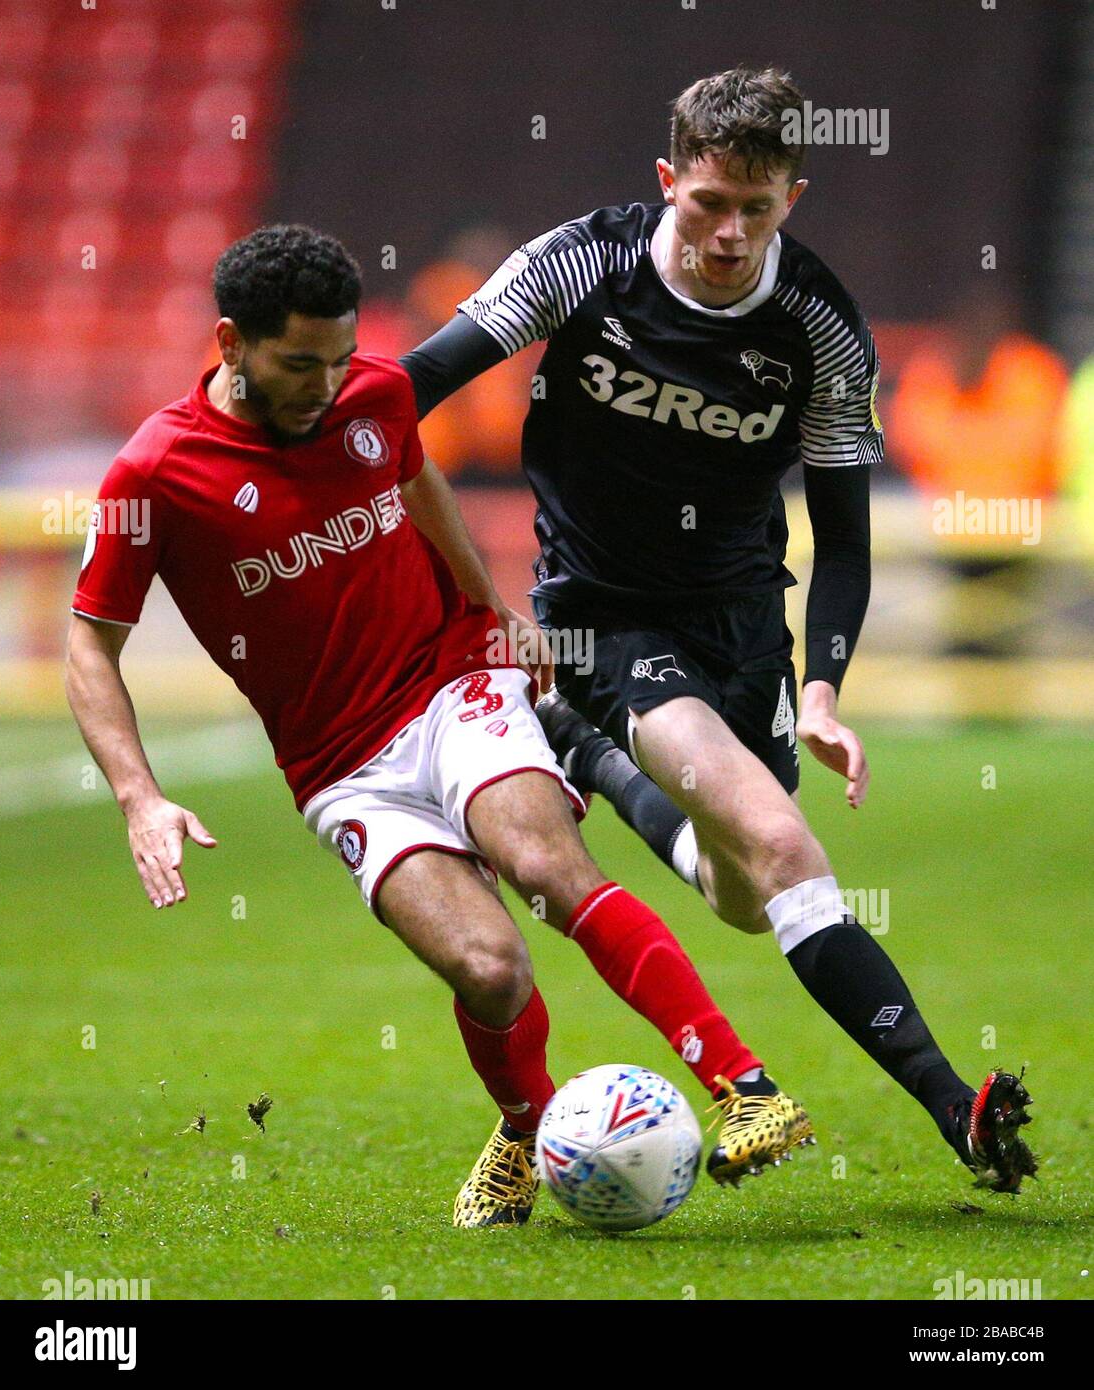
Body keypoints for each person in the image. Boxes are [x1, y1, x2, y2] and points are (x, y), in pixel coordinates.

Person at [64, 224, 816, 1232]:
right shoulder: (153, 474)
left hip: (450, 681)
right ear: (229, 342)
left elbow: (416, 479)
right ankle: (524, 1128)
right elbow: (90, 647)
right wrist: (138, 795)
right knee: (489, 968)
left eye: (337, 358)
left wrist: (490, 606)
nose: (328, 385)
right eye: (299, 364)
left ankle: (744, 1085)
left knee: (545, 868)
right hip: (338, 765)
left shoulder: (371, 396)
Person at [400, 68, 1037, 1192]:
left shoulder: (822, 331)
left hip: (743, 625)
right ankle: (956, 1108)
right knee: (786, 845)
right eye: (705, 204)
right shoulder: (581, 260)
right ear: (666, 183)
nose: (729, 232)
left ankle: (593, 757)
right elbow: (414, 387)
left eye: (756, 207)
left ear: (792, 195)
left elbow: (842, 542)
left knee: (744, 893)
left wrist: (826, 688)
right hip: (599, 615)